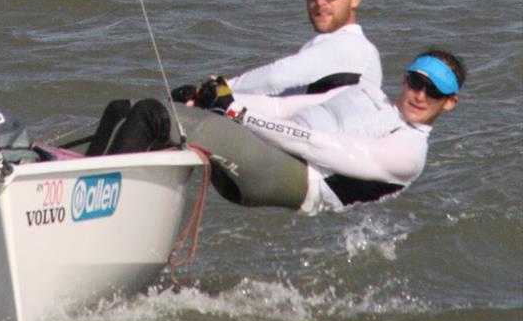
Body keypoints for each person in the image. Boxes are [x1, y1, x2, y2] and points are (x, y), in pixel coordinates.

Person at [89, 49, 465, 215]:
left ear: (450, 102)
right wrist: (216, 97)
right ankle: (81, 184)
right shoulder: (361, 92)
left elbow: (323, 148)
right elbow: (285, 107)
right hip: (272, 145)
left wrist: (237, 113)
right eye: (417, 82)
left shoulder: (410, 153)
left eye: (434, 91)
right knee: (125, 111)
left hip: (295, 178)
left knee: (154, 116)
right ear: (405, 77)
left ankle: (103, 213)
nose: (420, 95)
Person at [222, 0, 382, 98]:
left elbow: (275, 78)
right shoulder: (323, 48)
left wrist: (224, 89)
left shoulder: (352, 46)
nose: (319, 1)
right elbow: (283, 100)